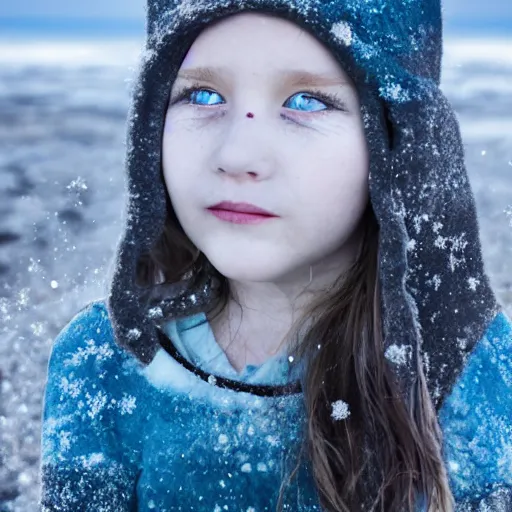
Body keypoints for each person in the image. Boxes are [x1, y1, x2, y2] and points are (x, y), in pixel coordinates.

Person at [39, 1, 512, 511]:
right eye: (202, 94)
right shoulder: (105, 361)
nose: (238, 155)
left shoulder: (470, 368)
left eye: (307, 102)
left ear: (404, 140)